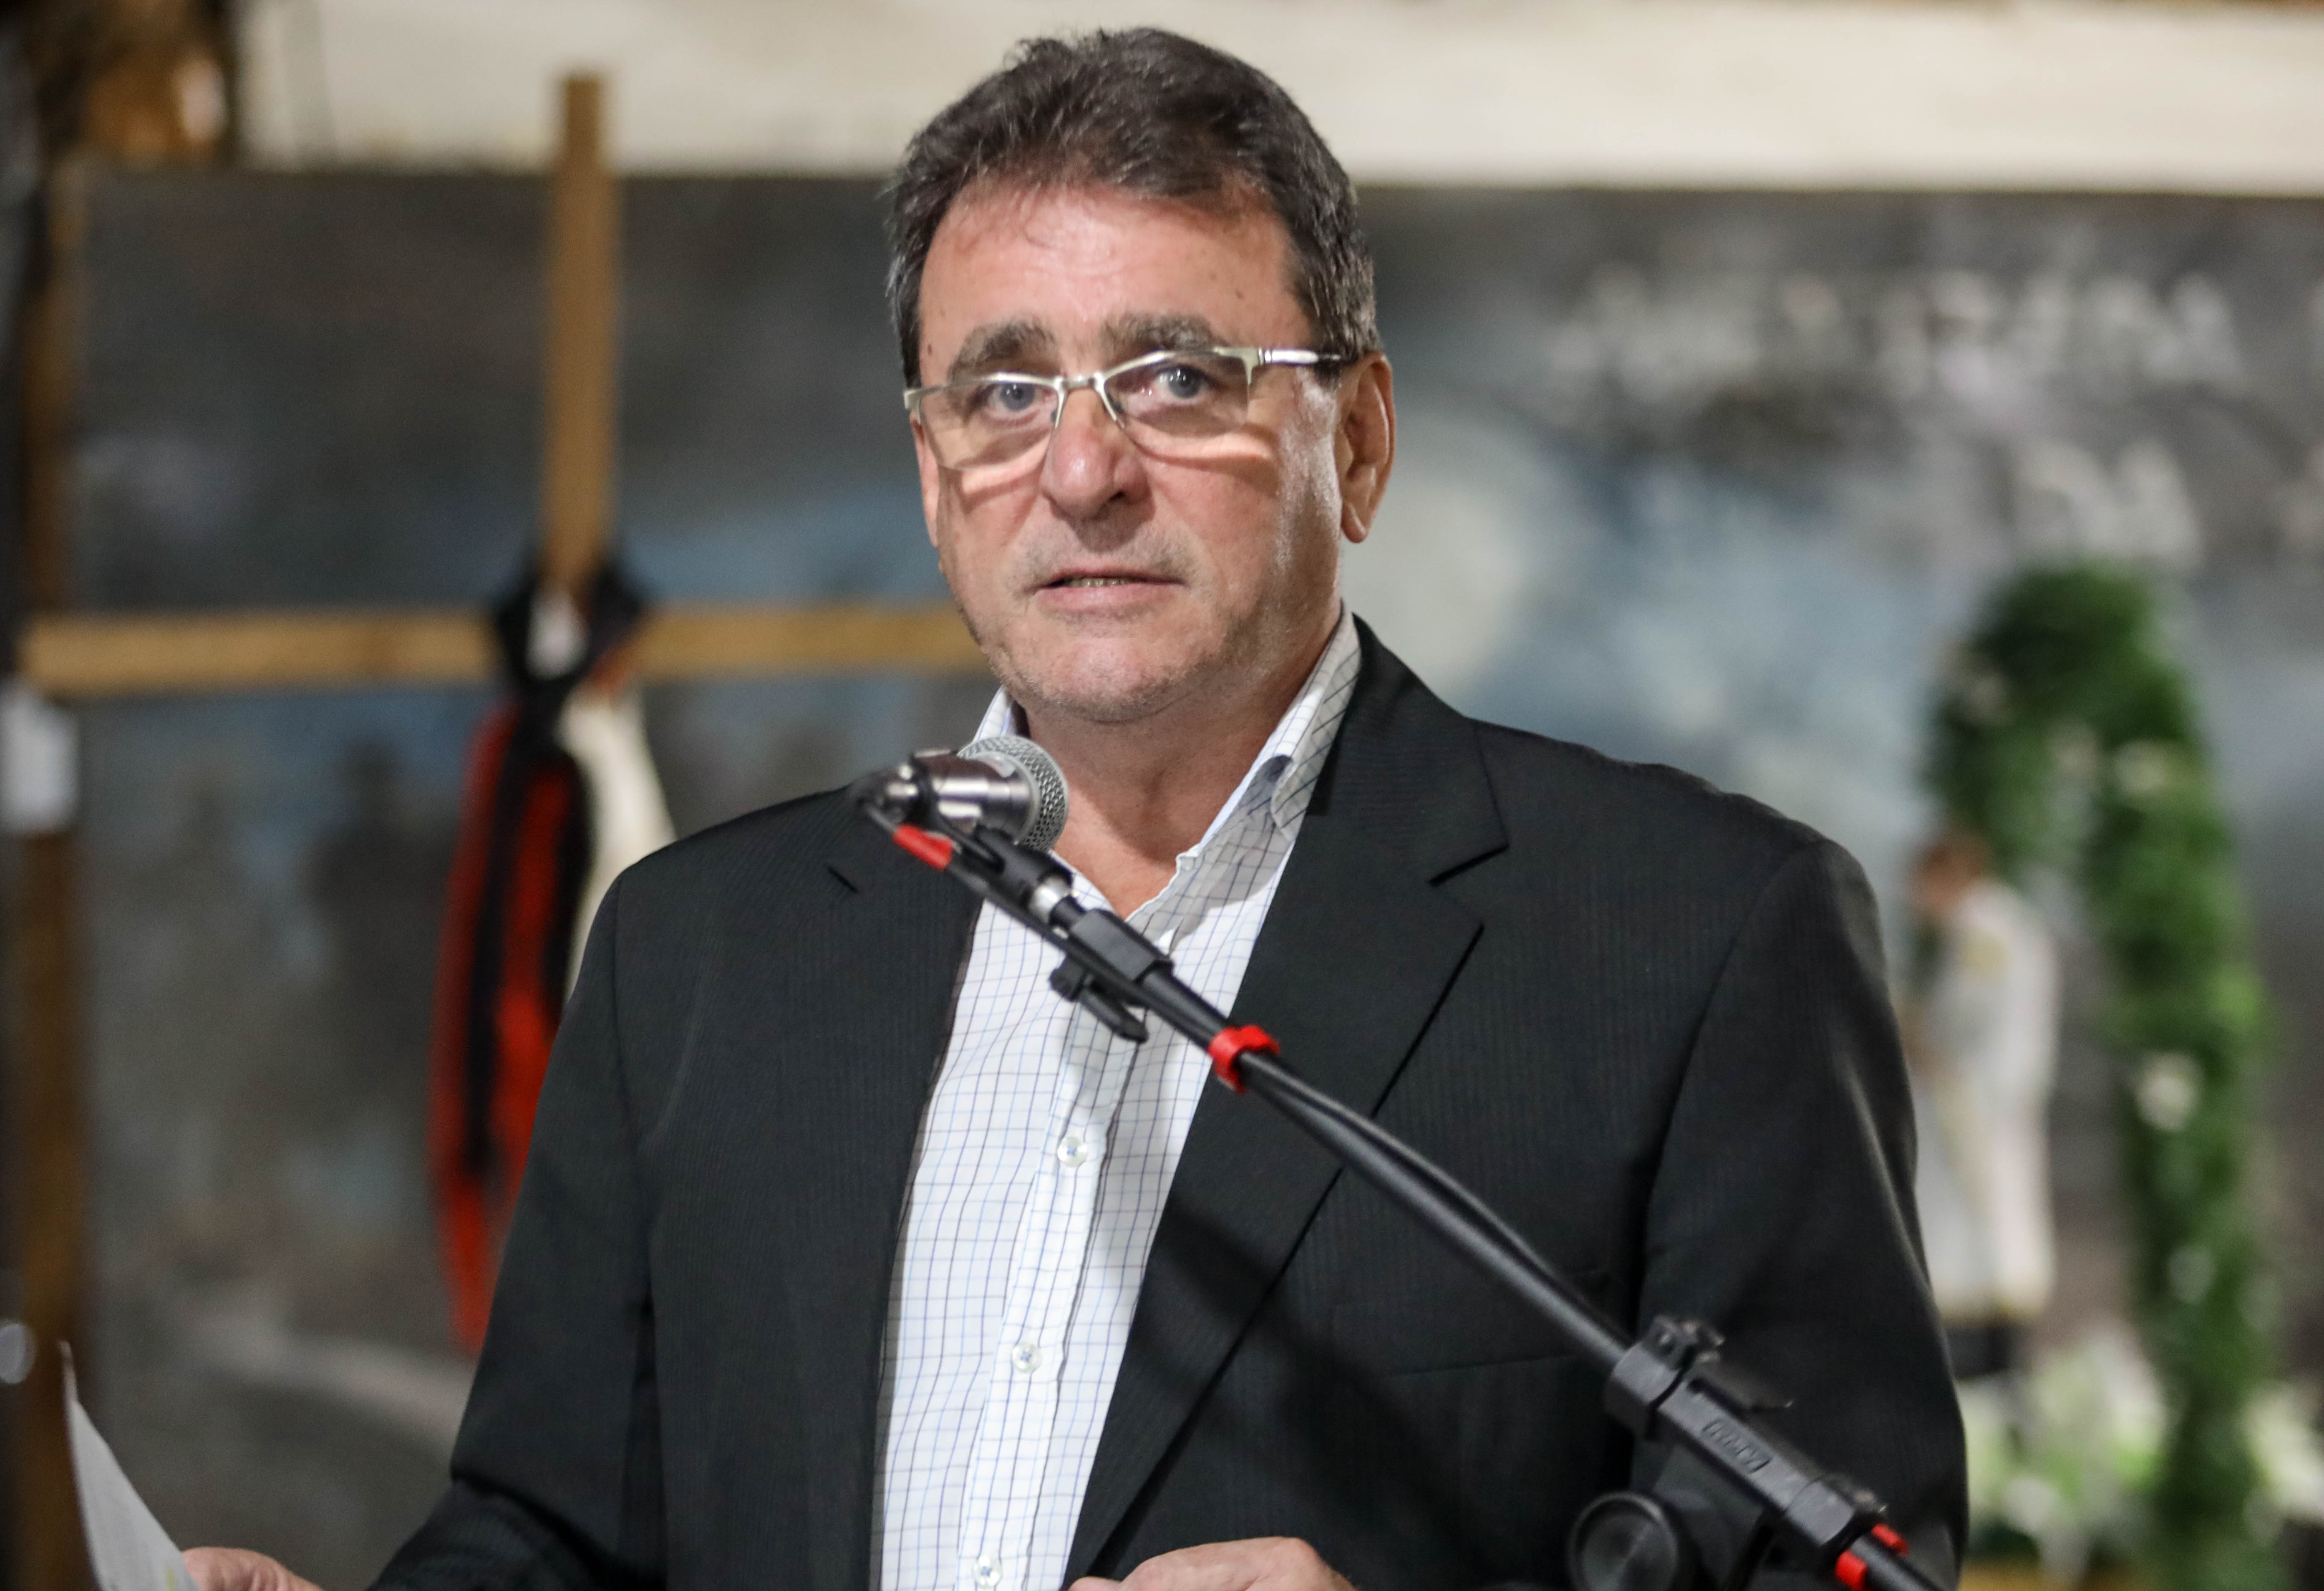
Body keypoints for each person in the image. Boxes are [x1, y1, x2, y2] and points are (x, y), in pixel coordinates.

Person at [188, 29, 1962, 1591]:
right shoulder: (698, 954)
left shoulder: (1696, 941)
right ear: (935, 473)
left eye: (1178, 377)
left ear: (1356, 442)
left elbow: (1846, 1567)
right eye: (1005, 390)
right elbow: (556, 1536)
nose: (1085, 469)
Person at [1902, 828, 2060, 1381]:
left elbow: (1963, 1017)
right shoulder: (2000, 923)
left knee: (1977, 1220)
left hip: (1977, 1101)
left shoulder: (1984, 930)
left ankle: (1978, 1345)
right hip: (1986, 1099)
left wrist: (1916, 1029)